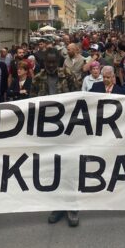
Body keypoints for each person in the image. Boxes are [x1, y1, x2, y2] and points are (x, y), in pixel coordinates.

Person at [30, 51, 79, 226]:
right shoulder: (37, 78)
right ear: (44, 63)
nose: (50, 66)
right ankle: (58, 205)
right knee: (54, 169)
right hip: (48, 131)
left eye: (53, 63)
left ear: (57, 62)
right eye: (47, 63)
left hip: (67, 129)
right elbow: (31, 104)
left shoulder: (69, 76)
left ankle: (72, 206)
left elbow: (79, 99)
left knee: (70, 168)